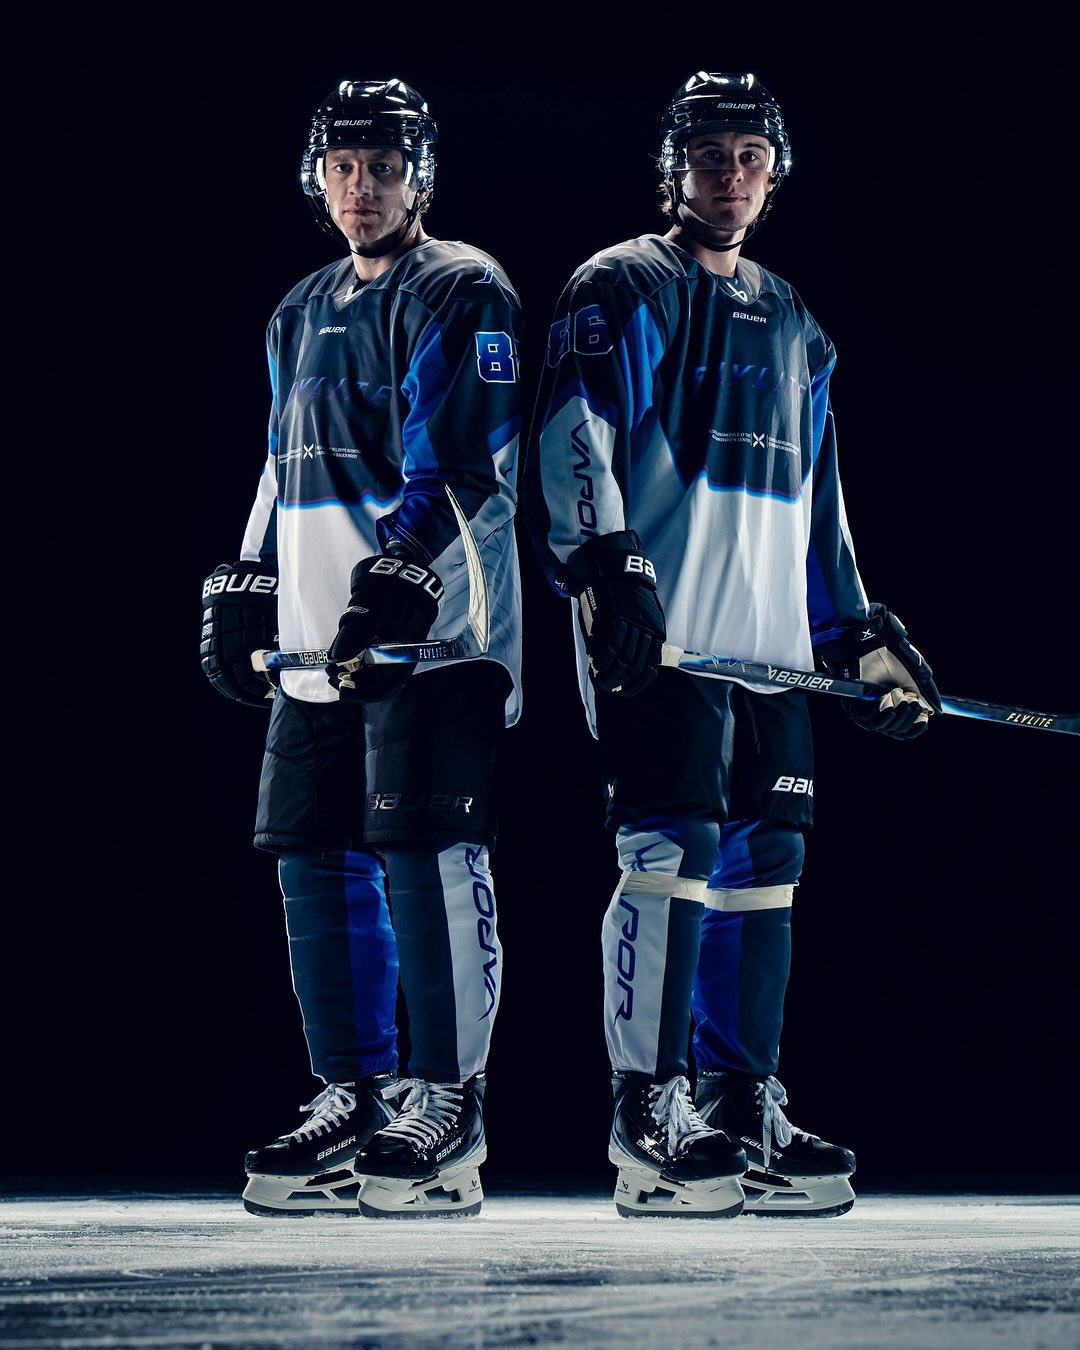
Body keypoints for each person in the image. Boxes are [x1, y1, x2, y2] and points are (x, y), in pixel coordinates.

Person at [522, 70, 941, 1218]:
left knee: (768, 870)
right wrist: (604, 567)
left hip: (773, 655)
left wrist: (857, 635)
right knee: (673, 856)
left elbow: (819, 503)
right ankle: (649, 1114)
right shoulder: (621, 286)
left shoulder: (796, 322)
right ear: (674, 167)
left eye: (751, 157)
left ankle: (740, 1103)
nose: (732, 176)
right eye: (710, 155)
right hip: (665, 646)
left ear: (774, 173)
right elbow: (570, 437)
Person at [200, 78, 523, 1218]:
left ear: (419, 176)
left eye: (383, 166)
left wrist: (395, 576)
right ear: (317, 176)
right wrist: (251, 574)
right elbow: (280, 459)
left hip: (431, 640)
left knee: (425, 859)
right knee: (313, 859)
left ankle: (447, 1105)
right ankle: (356, 1094)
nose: (361, 186)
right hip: (314, 646)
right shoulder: (299, 309)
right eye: (342, 166)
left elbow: (462, 463)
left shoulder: (462, 287)